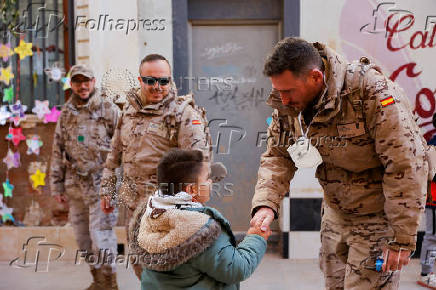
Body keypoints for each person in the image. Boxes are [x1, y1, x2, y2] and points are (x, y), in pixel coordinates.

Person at [250, 37, 428, 289]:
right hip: (335, 215)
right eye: (279, 91)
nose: (284, 100)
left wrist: (402, 239)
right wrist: (266, 205)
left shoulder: (371, 93)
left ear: (315, 77)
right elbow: (278, 155)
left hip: (377, 219)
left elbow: (406, 166)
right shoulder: (287, 103)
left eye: (288, 91)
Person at [99, 54, 212, 279]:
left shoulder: (183, 115)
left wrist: (193, 207)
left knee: (170, 269)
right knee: (140, 265)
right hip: (133, 206)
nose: (157, 87)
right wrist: (107, 190)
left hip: (167, 208)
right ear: (140, 81)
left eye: (163, 81)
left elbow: (199, 164)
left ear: (170, 81)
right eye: (150, 81)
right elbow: (114, 156)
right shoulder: (128, 113)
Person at [130, 149, 269, 289]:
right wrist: (256, 237)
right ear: (191, 190)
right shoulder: (200, 231)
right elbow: (236, 268)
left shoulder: (149, 216)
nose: (210, 182)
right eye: (207, 178)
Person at [49, 64, 120, 290]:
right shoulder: (66, 113)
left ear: (93, 81)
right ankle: (98, 281)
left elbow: (123, 148)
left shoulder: (108, 109)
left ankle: (110, 283)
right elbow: (57, 149)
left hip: (102, 185)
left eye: (86, 81)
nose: (83, 86)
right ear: (71, 84)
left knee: (102, 238)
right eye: (78, 81)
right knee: (83, 240)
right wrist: (57, 186)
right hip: (75, 186)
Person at [417, 113, 436, 289]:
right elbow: (432, 175)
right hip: (435, 201)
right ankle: (426, 273)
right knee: (433, 237)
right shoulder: (433, 146)